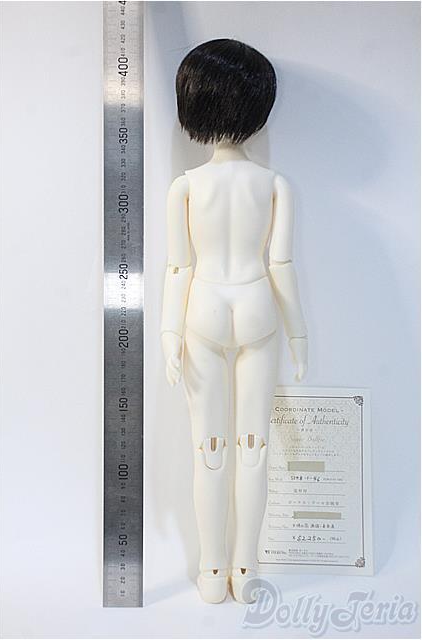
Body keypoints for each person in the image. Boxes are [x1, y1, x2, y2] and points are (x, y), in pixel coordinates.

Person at [161, 38, 308, 604]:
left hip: (202, 308)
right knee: (254, 446)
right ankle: (244, 569)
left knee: (210, 446)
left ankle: (212, 570)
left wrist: (170, 333)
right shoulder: (274, 184)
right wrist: (298, 334)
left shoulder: (185, 186)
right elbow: (281, 265)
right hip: (256, 309)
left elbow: (179, 267)